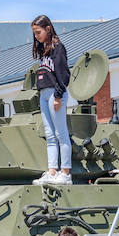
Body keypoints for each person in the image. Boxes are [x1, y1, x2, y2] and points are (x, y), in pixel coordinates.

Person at [31, 15, 73, 186]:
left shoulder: (58, 48)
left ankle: (66, 173)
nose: (36, 36)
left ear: (48, 29)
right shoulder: (44, 50)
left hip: (55, 94)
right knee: (49, 135)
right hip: (44, 94)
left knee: (60, 133)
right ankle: (52, 171)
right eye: (34, 33)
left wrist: (58, 95)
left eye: (38, 32)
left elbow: (63, 74)